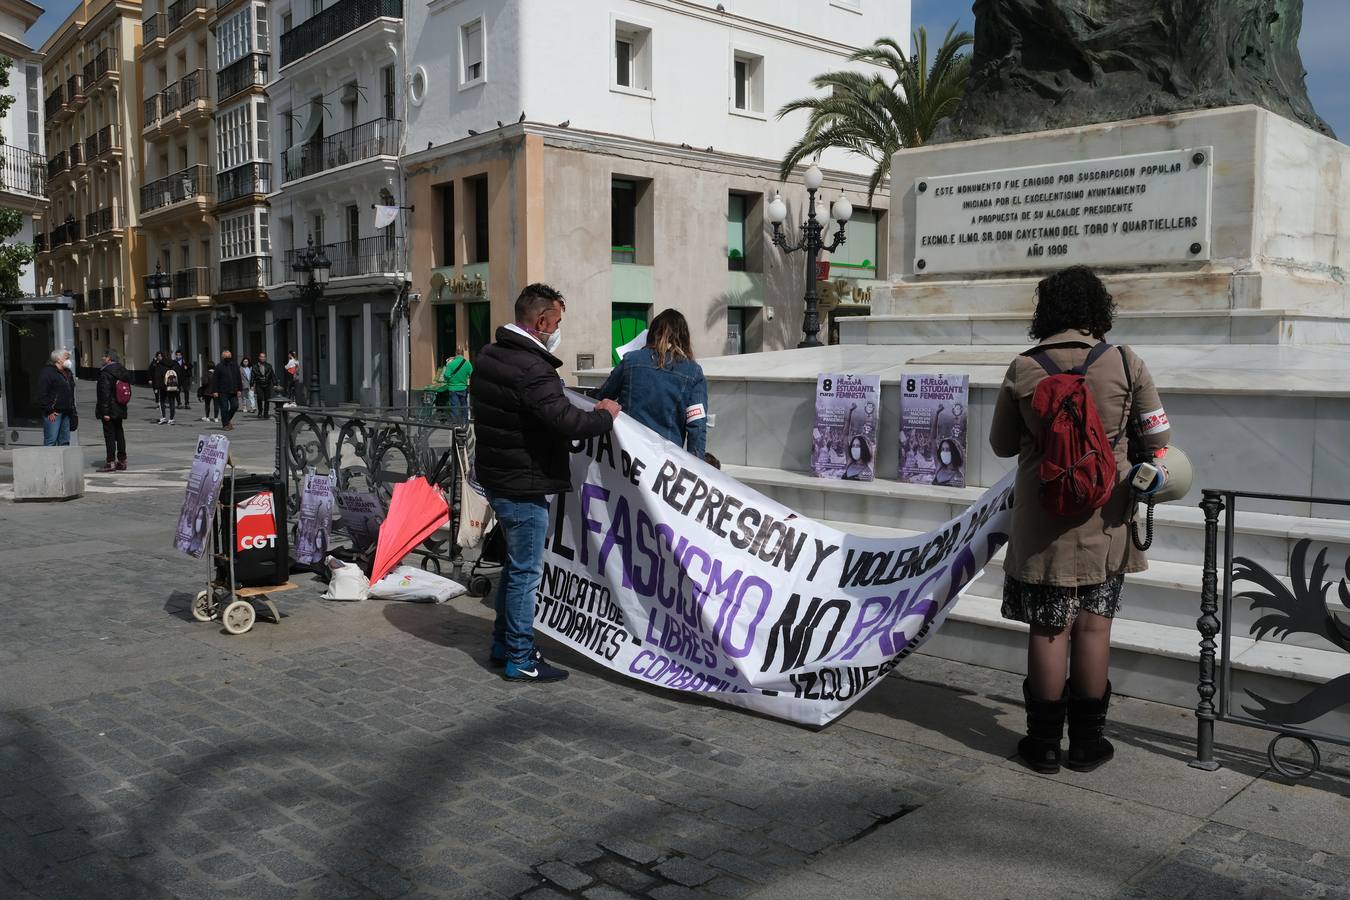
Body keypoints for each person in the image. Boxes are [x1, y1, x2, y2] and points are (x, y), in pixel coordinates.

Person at [990, 265, 1170, 775]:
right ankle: (1088, 745)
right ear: (1098, 310)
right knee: (1093, 627)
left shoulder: (1024, 368)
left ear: (1046, 311)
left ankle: (1043, 746)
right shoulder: (1125, 361)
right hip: (1106, 513)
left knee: (1049, 628)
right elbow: (1157, 439)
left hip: (1042, 516)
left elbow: (1002, 444)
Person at [471, 283, 622, 682]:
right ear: (541, 321)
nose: (557, 327)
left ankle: (504, 644)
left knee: (513, 566)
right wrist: (605, 414)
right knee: (525, 572)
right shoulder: (532, 367)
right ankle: (520, 655)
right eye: (556, 320)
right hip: (522, 483)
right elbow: (566, 421)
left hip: (498, 475)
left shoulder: (490, 354)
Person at [597, 308, 708, 456]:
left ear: (652, 333)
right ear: (684, 338)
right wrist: (697, 468)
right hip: (666, 461)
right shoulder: (693, 371)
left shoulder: (631, 360)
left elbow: (603, 396)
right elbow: (697, 426)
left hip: (628, 453)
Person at [94, 349, 129, 472]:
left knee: (109, 436)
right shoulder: (122, 371)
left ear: (109, 358)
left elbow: (104, 394)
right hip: (120, 407)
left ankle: (110, 462)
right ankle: (122, 461)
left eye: (104, 356)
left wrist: (105, 412)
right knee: (119, 433)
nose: (102, 358)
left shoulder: (106, 373)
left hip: (109, 409)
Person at [38, 348, 76, 446]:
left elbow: (70, 392)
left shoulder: (68, 372)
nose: (69, 360)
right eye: (66, 357)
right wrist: (49, 410)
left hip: (66, 411)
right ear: (58, 359)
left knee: (65, 441)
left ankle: (63, 461)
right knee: (51, 440)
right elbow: (42, 393)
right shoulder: (48, 372)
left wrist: (72, 409)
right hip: (54, 413)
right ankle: (49, 461)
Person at [437, 348, 473, 422]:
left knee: (455, 407)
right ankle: (465, 423)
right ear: (463, 353)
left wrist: (451, 379)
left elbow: (446, 375)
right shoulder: (467, 363)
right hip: (463, 388)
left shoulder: (451, 364)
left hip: (452, 388)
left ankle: (456, 424)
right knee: (464, 406)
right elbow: (472, 375)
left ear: (455, 353)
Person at [214, 350, 243, 431]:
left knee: (235, 406)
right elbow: (215, 379)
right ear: (223, 357)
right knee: (224, 408)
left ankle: (227, 420)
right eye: (226, 357)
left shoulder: (235, 365)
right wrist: (215, 391)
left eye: (229, 356)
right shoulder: (219, 366)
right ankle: (225, 424)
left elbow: (238, 377)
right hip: (223, 391)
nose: (228, 358)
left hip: (233, 390)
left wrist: (239, 389)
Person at [155, 350, 183, 425]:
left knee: (162, 401)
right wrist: (178, 385)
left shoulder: (160, 365)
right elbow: (180, 374)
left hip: (163, 386)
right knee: (172, 402)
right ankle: (171, 418)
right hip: (173, 386)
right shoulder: (175, 363)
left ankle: (163, 417)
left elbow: (157, 376)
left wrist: (156, 387)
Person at [254, 350, 276, 418]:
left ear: (265, 358)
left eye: (264, 357)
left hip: (267, 384)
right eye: (261, 357)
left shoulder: (269, 366)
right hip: (259, 384)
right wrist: (251, 384)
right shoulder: (255, 366)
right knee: (259, 398)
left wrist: (275, 384)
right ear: (259, 357)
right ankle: (260, 411)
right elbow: (252, 376)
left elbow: (272, 375)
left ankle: (266, 413)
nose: (262, 358)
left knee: (267, 399)